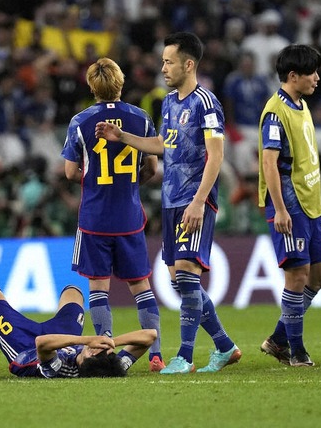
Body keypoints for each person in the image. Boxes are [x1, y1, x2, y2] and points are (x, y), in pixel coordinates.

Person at [95, 31, 241, 374]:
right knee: (179, 281)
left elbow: (216, 155)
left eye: (168, 62)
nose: (162, 68)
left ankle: (184, 356)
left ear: (188, 65)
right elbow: (164, 144)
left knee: (188, 278)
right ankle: (225, 346)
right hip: (171, 199)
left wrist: (199, 201)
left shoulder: (206, 103)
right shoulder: (171, 102)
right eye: (162, 61)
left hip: (194, 199)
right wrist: (123, 137)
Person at [61, 57, 165, 372]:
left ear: (91, 86)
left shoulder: (80, 121)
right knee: (141, 287)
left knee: (98, 289)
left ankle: (104, 349)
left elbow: (69, 172)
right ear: (121, 83)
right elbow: (151, 168)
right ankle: (156, 355)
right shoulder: (140, 118)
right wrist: (130, 185)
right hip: (129, 216)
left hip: (94, 218)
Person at [257, 44, 321, 367]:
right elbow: (269, 164)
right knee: (297, 276)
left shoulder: (301, 105)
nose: (317, 78)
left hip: (311, 202)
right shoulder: (275, 113)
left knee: (320, 276)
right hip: (290, 204)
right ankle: (297, 351)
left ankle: (277, 339)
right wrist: (280, 209)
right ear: (293, 75)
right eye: (311, 72)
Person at [0, 285, 157, 378]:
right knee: (73, 292)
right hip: (63, 338)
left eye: (93, 352)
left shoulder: (59, 369)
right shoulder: (110, 367)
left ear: (85, 360)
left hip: (26, 346)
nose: (97, 349)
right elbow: (150, 336)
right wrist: (112, 342)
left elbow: (42, 343)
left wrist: (87, 340)